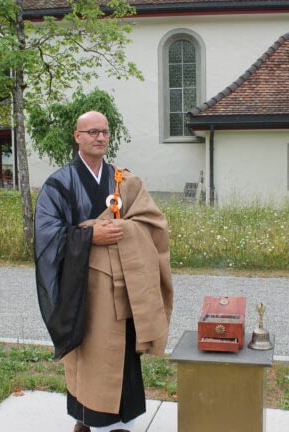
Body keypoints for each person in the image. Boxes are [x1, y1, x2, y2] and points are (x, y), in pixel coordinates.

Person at [34, 111, 173, 432]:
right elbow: (45, 234)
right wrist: (89, 235)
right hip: (85, 288)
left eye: (105, 132)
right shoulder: (60, 183)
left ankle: (121, 422)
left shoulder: (123, 180)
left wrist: (124, 229)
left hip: (123, 285)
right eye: (92, 132)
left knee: (121, 352)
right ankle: (88, 419)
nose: (99, 138)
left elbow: (153, 223)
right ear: (77, 137)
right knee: (90, 351)